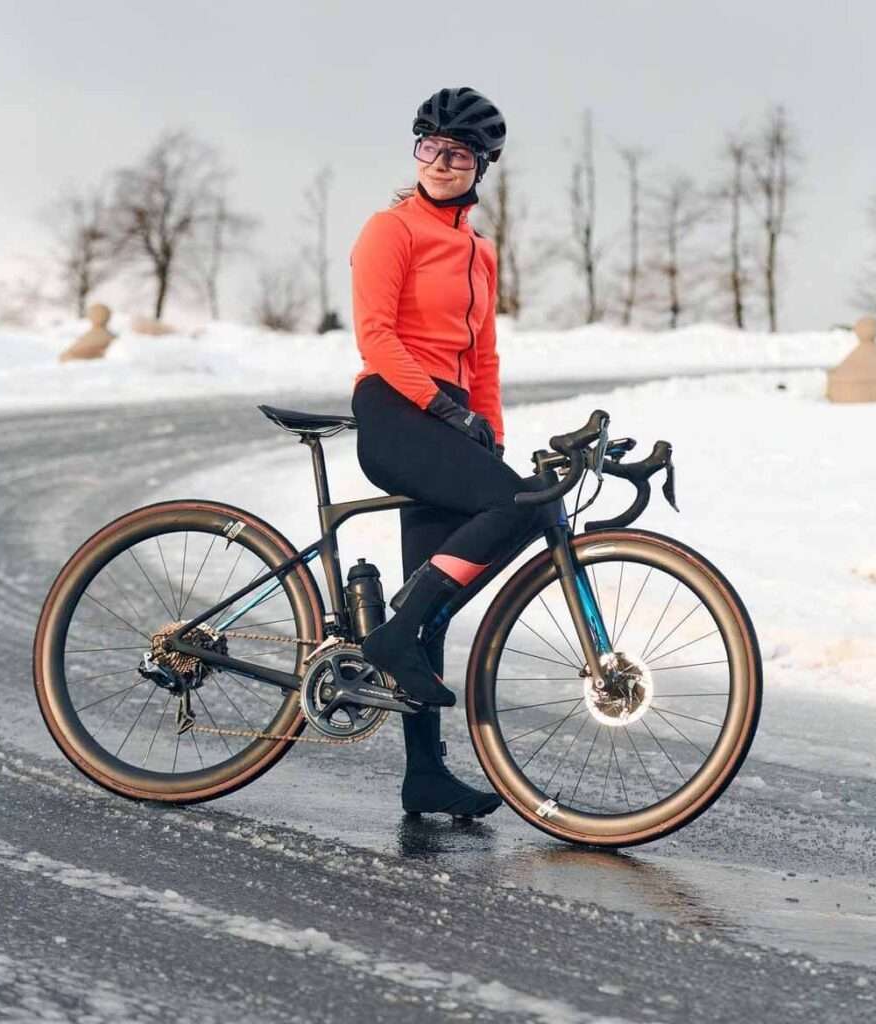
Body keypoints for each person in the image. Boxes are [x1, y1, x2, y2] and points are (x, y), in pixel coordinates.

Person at [349, 87, 542, 818]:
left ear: (481, 166)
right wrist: (442, 408)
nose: (439, 161)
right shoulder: (389, 230)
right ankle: (392, 637)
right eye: (428, 145)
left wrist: (488, 427)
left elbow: (483, 355)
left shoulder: (481, 254)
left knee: (434, 605)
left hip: (449, 419)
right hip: (398, 409)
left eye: (457, 153)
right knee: (516, 503)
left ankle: (423, 774)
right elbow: (376, 338)